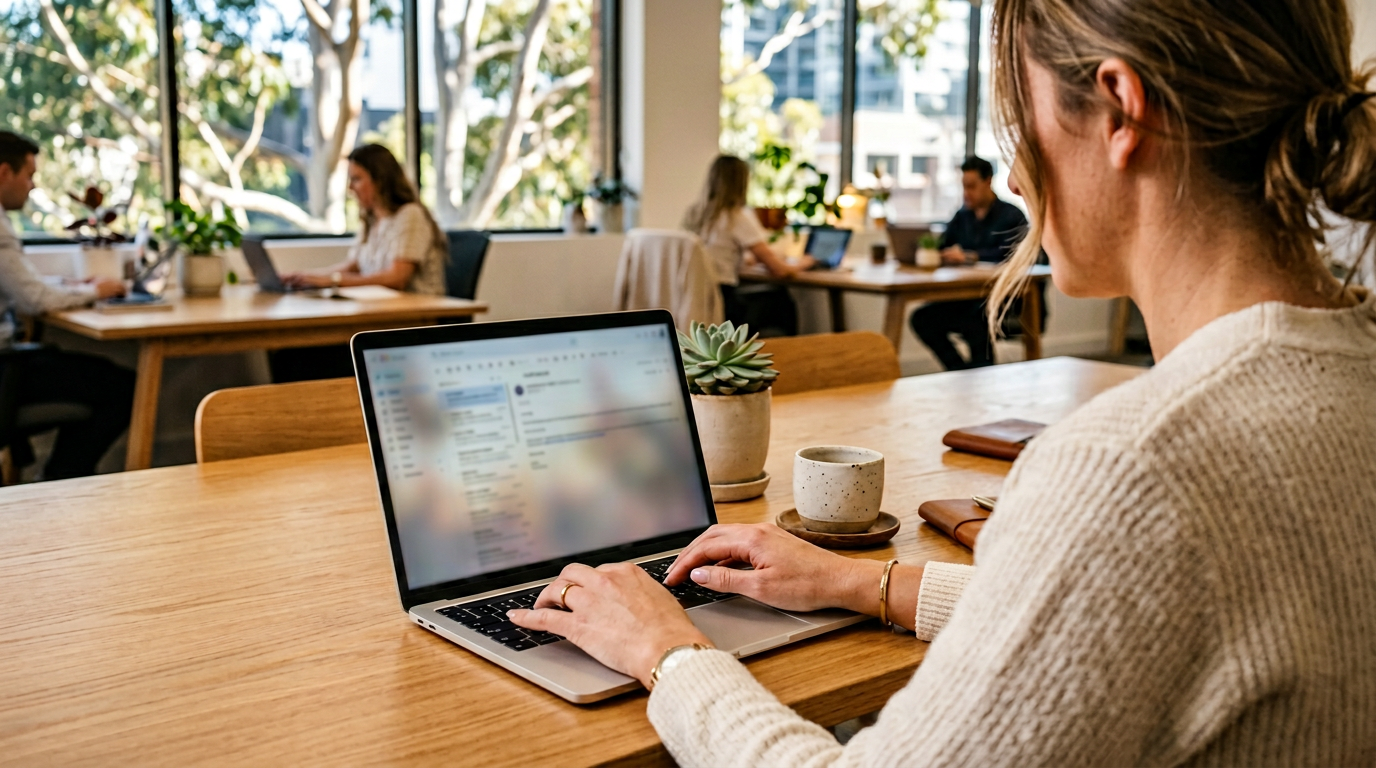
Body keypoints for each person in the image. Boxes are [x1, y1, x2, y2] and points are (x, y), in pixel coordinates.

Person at [509, 0, 1376, 763]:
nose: (1013, 175)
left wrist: (666, 651)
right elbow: (1128, 621)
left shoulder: (1133, 469)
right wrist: (862, 583)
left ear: (1118, 108)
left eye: (1017, 120)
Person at [0, 131, 134, 479]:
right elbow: (34, 299)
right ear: (3, 173)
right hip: (4, 370)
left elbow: (22, 285)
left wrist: (73, 285)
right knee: (121, 386)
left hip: (9, 359)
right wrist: (97, 291)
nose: (32, 186)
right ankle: (62, 481)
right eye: (28, 175)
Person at [271, 144, 448, 381]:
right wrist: (310, 277)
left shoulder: (410, 215)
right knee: (289, 353)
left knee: (303, 357)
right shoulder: (372, 219)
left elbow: (397, 277)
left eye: (357, 179)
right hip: (377, 317)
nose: (350, 188)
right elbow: (352, 266)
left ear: (380, 180)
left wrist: (334, 281)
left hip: (408, 322)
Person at [908, 156, 1030, 369]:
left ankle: (980, 380)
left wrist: (970, 256)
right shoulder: (962, 216)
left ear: (988, 181)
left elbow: (1015, 257)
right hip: (965, 297)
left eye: (971, 186)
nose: (966, 193)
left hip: (1004, 301)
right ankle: (960, 373)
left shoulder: (1012, 216)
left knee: (977, 320)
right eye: (964, 186)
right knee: (922, 318)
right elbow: (943, 244)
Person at [683, 155, 814, 336]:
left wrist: (744, 259)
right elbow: (780, 270)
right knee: (781, 298)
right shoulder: (735, 217)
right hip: (722, 300)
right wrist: (806, 262)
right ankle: (789, 354)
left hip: (694, 297)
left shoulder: (695, 214)